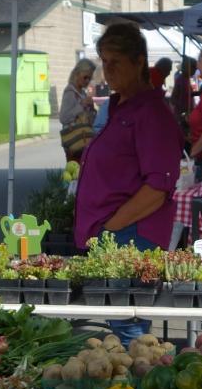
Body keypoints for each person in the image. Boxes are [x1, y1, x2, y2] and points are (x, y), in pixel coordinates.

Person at [75, 20, 182, 252]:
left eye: (116, 62)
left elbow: (158, 188)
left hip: (130, 239)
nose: (108, 69)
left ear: (139, 62)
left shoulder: (152, 113)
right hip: (112, 236)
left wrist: (110, 229)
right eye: (104, 61)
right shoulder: (120, 106)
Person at [57, 57, 97, 163]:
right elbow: (63, 118)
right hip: (74, 143)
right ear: (77, 73)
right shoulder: (70, 92)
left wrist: (91, 109)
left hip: (83, 141)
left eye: (90, 78)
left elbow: (91, 121)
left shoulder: (82, 93)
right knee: (76, 175)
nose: (87, 81)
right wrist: (81, 105)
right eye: (85, 77)